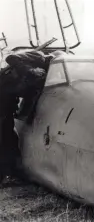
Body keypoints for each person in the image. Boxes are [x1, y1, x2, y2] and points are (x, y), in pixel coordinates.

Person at [0, 50, 54, 181]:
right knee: (4, 137)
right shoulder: (38, 57)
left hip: (8, 101)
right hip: (2, 99)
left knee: (9, 137)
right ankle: (5, 175)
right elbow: (10, 57)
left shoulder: (44, 73)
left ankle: (12, 172)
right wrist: (32, 70)